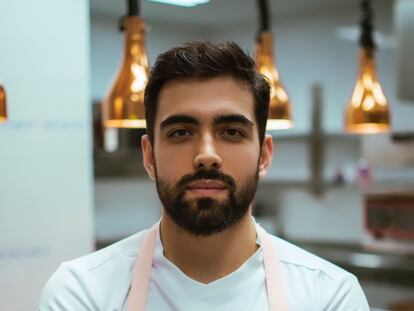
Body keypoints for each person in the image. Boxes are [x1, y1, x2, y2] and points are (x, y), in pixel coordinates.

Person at [39, 41, 370, 310]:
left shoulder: (329, 296)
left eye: (231, 132)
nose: (207, 155)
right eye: (181, 132)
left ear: (264, 155)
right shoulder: (82, 293)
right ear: (149, 156)